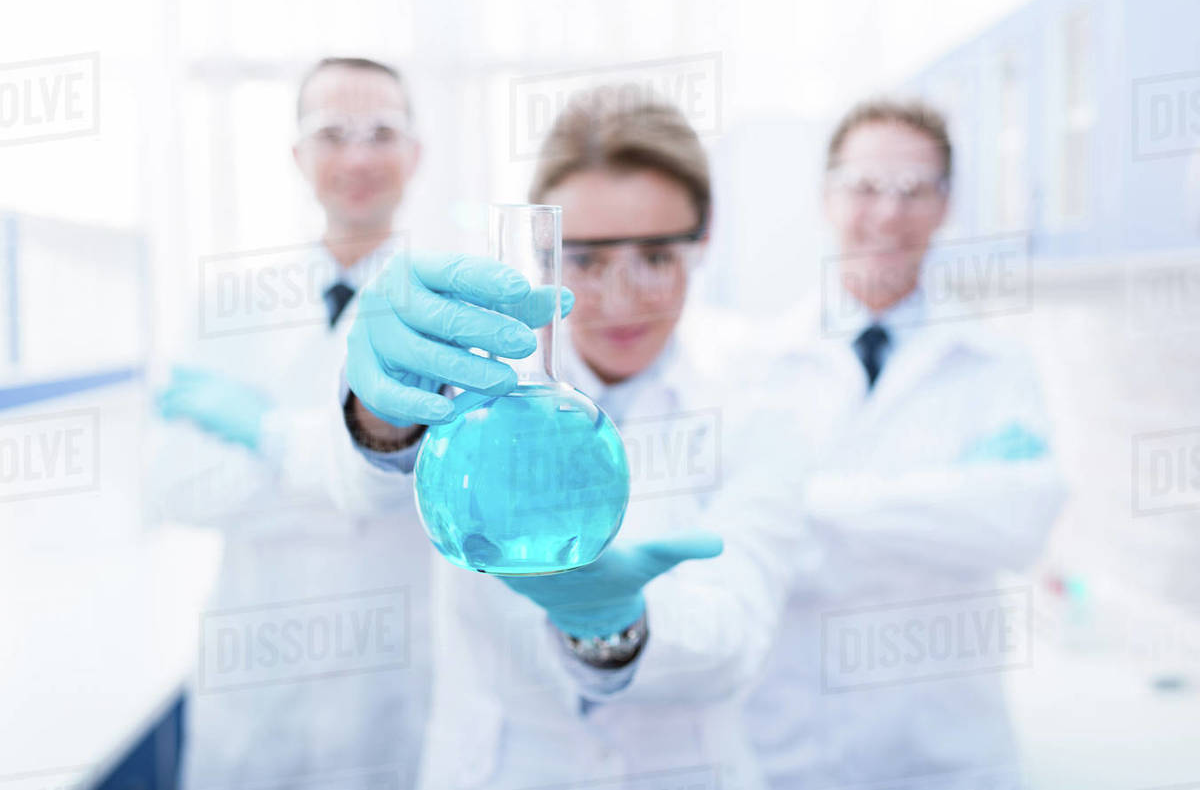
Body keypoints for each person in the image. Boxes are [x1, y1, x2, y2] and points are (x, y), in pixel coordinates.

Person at [331, 87, 812, 790]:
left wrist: (616, 625)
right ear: (543, 255)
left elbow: (737, 634)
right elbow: (360, 490)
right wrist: (382, 414)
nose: (620, 294)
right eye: (586, 259)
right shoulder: (469, 385)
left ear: (703, 240)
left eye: (655, 256)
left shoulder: (759, 402)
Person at [742, 98, 1067, 790]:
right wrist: (933, 515)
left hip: (949, 751)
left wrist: (813, 503)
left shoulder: (997, 364)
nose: (888, 215)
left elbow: (1012, 525)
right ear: (826, 197)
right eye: (864, 188)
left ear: (946, 205)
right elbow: (754, 540)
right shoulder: (757, 364)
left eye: (914, 190)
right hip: (795, 748)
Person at [151, 57, 431, 789]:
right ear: (297, 156)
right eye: (332, 133)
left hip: (393, 680)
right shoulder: (228, 302)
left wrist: (265, 434)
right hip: (256, 682)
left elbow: (422, 491)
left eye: (382, 132)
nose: (359, 156)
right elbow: (177, 485)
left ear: (416, 153)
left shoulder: (438, 308)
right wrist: (342, 471)